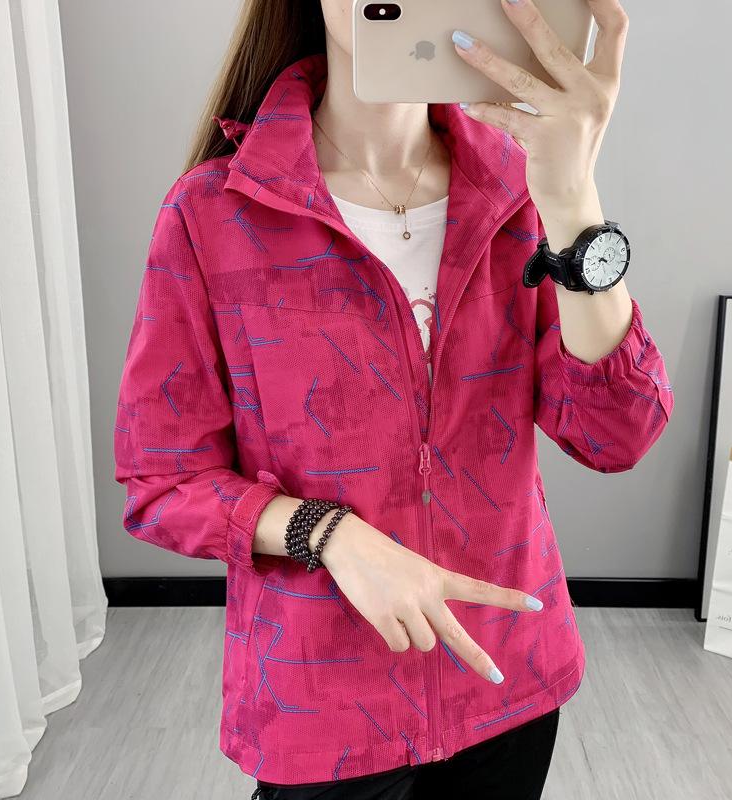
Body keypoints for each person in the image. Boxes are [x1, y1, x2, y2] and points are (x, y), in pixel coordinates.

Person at [113, 1, 673, 798]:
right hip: (322, 708)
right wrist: (327, 533)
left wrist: (574, 198)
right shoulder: (214, 213)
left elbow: (616, 435)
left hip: (507, 679)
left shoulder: (517, 189)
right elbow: (161, 481)